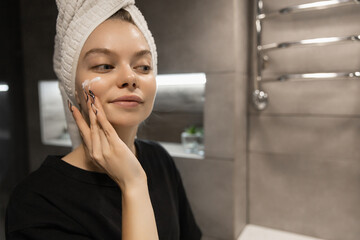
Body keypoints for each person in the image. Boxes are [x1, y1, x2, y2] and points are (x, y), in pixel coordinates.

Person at [5, 0, 202, 239]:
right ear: (74, 88)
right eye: (104, 65)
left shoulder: (159, 160)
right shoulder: (35, 203)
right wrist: (133, 184)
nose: (130, 77)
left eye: (143, 67)